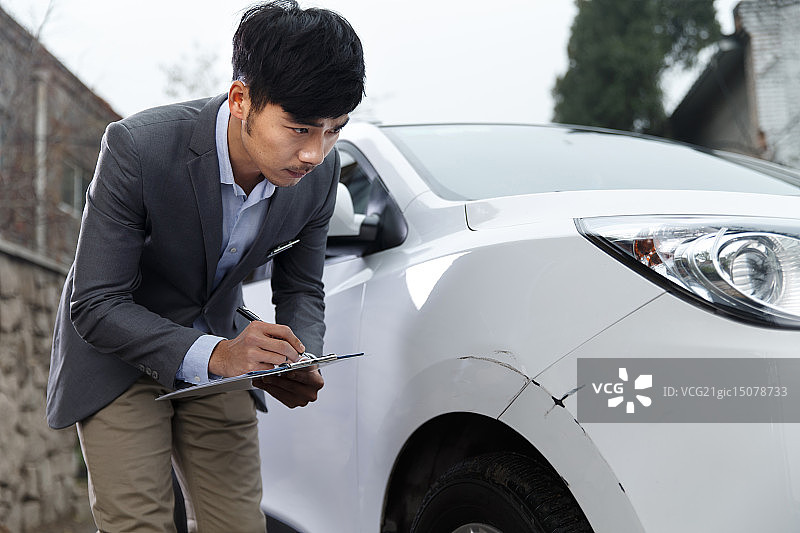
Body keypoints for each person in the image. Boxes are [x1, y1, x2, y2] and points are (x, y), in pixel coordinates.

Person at [45, 1, 365, 531]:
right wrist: (219, 354)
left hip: (220, 350)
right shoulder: (137, 148)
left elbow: (303, 287)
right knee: (139, 524)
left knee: (239, 525)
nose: (315, 152)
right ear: (241, 99)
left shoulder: (321, 175)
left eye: (334, 130)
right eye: (300, 128)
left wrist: (298, 357)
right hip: (120, 350)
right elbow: (96, 303)